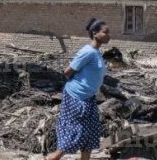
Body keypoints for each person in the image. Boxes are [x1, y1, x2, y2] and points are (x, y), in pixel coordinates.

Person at [46, 18, 110, 160]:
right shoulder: (87, 52)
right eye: (105, 32)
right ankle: (51, 158)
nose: (108, 35)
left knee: (90, 136)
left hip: (89, 97)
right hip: (77, 97)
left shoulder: (97, 52)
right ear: (95, 33)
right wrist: (78, 86)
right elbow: (67, 71)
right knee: (77, 133)